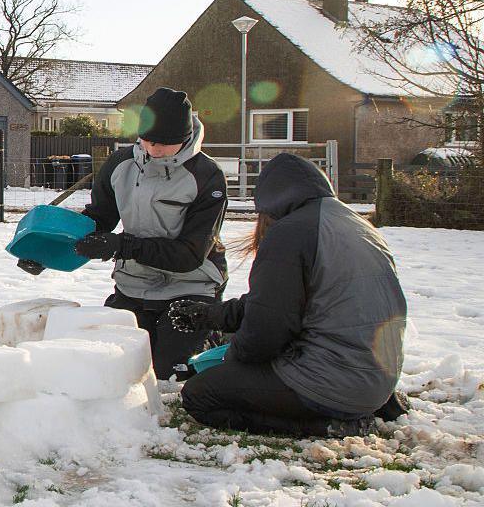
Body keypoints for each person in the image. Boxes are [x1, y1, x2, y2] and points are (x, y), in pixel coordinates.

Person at [169, 153, 407, 437]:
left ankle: (326, 425)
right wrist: (211, 316)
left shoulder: (289, 233)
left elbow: (266, 332)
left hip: (332, 383)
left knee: (200, 394)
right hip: (378, 378)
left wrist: (230, 362)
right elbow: (278, 304)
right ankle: (361, 407)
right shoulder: (355, 225)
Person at [20, 88, 228, 380]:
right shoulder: (120, 164)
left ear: (184, 140)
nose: (154, 150)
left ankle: (218, 335)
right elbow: (98, 221)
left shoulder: (207, 175)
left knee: (172, 374)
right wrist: (47, 248)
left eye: (165, 144)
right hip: (134, 285)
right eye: (149, 141)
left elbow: (189, 255)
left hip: (190, 285)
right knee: (117, 367)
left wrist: (122, 246)